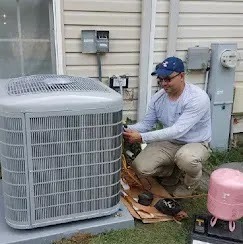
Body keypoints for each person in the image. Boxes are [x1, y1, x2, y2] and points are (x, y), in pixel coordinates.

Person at [123, 56, 211, 197]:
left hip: (195, 142)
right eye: (160, 79)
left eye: (168, 79)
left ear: (181, 76)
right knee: (140, 167)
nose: (163, 83)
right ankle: (174, 171)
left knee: (187, 159)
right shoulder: (158, 98)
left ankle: (191, 180)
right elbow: (146, 124)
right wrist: (125, 129)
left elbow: (178, 130)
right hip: (170, 142)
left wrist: (141, 137)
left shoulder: (197, 98)